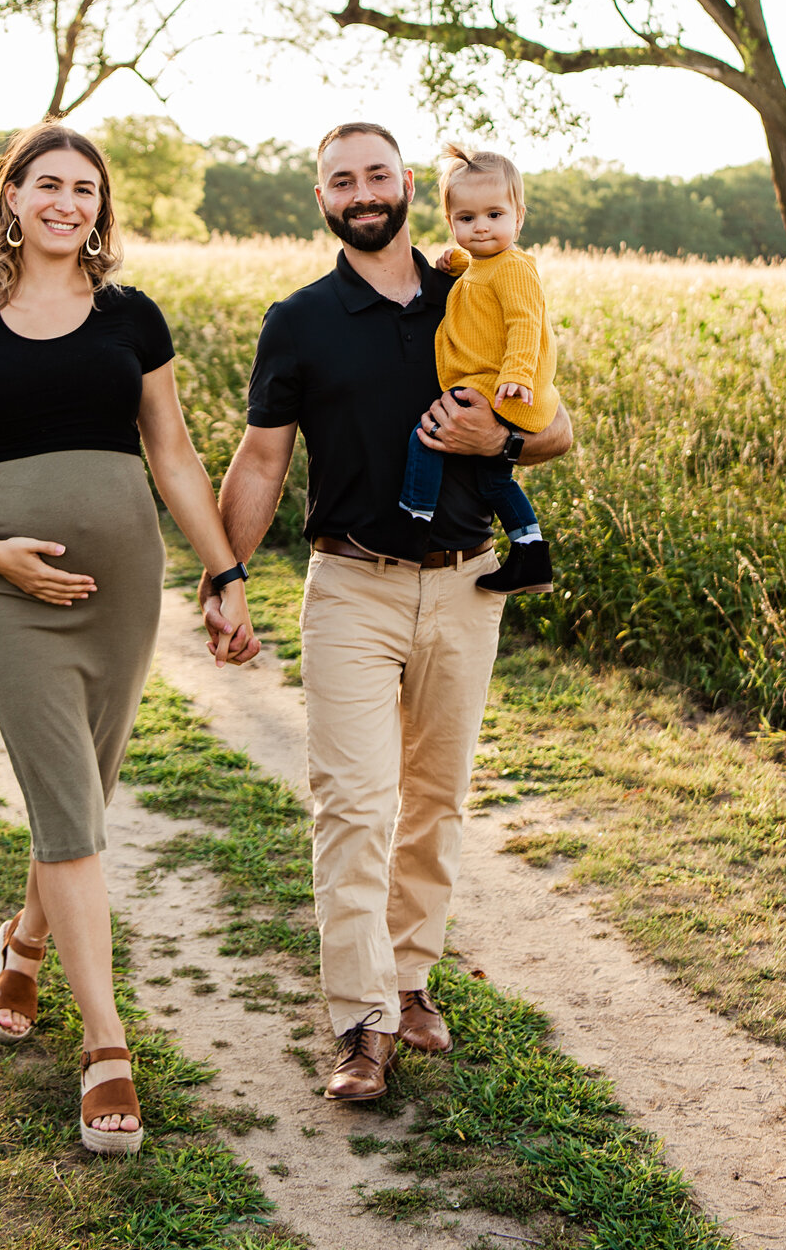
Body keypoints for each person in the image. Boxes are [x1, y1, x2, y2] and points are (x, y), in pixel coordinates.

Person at [0, 121, 259, 1158]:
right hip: (11, 590)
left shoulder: (131, 316)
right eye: (47, 183)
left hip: (125, 587)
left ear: (102, 208)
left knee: (82, 793)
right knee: (67, 804)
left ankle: (23, 944)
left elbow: (177, 455)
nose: (68, 201)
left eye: (86, 188)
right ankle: (107, 1043)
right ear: (10, 197)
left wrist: (225, 569)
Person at [212, 121, 573, 1104]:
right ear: (321, 196)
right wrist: (223, 569)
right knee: (354, 805)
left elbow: (558, 426)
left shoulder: (479, 281)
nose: (362, 190)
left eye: (378, 173)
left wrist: (496, 428)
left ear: (408, 184)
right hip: (351, 587)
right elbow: (262, 457)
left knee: (436, 798)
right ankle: (360, 1021)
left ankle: (411, 978)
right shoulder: (297, 320)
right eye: (342, 179)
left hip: (465, 582)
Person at [399, 141, 558, 597]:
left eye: (494, 215)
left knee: (429, 433)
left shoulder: (514, 269)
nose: (481, 228)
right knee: (493, 479)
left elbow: (524, 323)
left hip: (502, 384)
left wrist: (516, 375)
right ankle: (532, 553)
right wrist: (455, 260)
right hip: (496, 383)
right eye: (466, 219)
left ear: (518, 217)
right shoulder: (484, 263)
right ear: (451, 223)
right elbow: (478, 269)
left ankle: (414, 524)